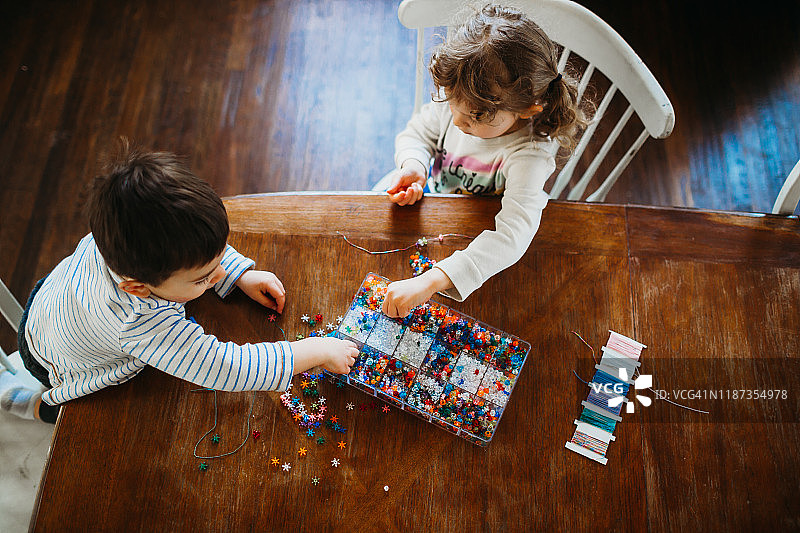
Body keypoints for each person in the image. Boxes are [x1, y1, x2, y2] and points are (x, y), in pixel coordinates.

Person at [0, 144, 358, 423]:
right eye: (203, 278)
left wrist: (238, 273)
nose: (216, 276)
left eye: (218, 261)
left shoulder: (124, 232)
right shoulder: (141, 323)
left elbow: (193, 249)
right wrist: (314, 350)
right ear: (138, 287)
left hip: (48, 304)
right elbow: (224, 367)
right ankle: (36, 408)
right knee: (72, 407)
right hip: (61, 363)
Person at [380, 4, 589, 318]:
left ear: (528, 109)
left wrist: (434, 279)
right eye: (452, 106)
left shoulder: (530, 154)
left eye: (475, 117)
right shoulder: (462, 98)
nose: (457, 120)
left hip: (479, 235)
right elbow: (417, 133)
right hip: (429, 194)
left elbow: (512, 236)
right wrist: (415, 166)